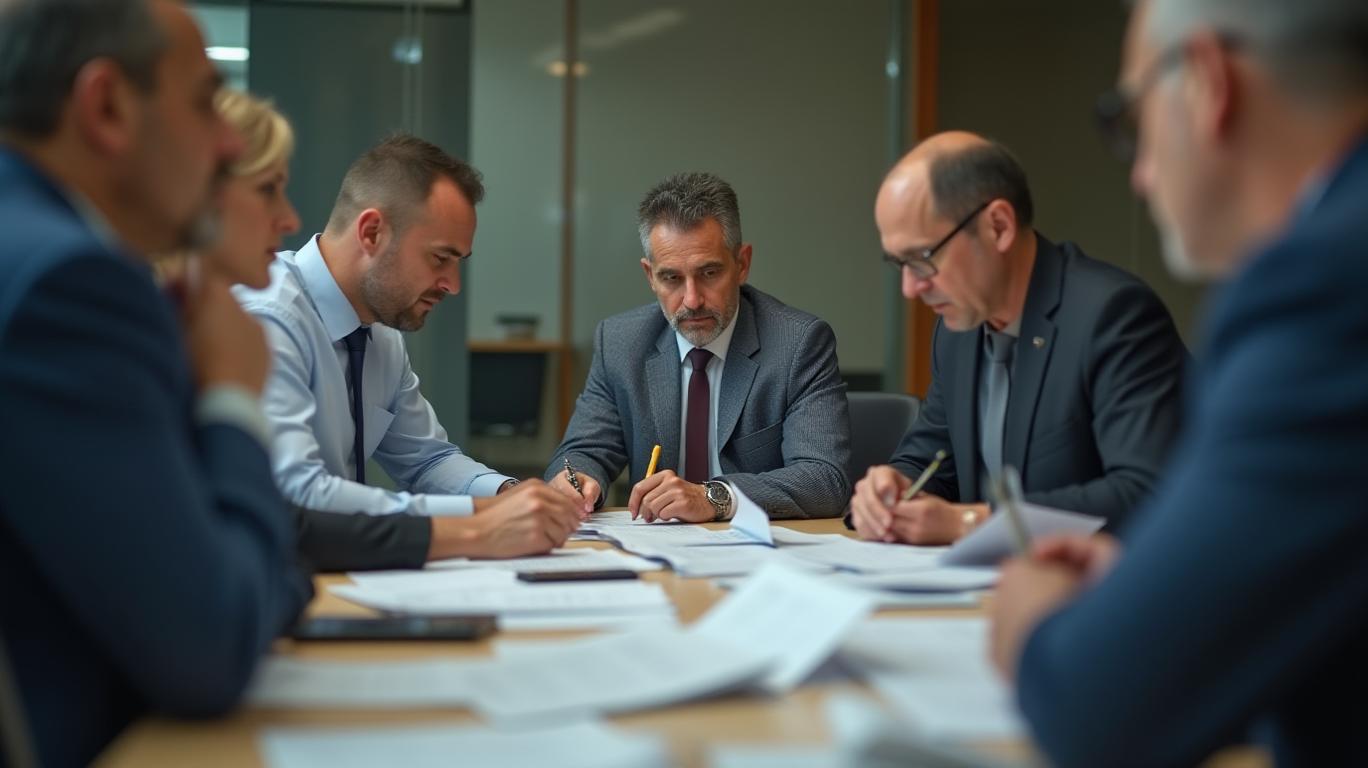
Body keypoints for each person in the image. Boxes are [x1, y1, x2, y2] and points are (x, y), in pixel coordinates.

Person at [989, 0, 1368, 765]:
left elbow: (1101, 708)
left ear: (1204, 82)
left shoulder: (1326, 286)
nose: (1138, 174)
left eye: (1131, 119)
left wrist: (1032, 619)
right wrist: (1158, 583)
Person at [0, 2, 307, 765]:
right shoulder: (71, 284)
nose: (227, 142)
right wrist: (232, 393)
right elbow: (211, 644)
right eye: (205, 102)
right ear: (106, 106)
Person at [208, 93, 578, 566]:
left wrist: (511, 494)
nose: (453, 285)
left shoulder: (380, 332)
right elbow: (300, 494)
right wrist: (480, 520)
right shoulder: (270, 318)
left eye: (459, 263)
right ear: (371, 233)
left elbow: (427, 460)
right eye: (440, 258)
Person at [849, 133, 1187, 545]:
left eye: (922, 258)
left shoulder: (1112, 315)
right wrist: (890, 490)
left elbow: (1144, 492)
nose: (910, 288)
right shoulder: (957, 332)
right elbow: (931, 461)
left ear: (998, 227)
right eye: (898, 263)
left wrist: (969, 522)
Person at [545, 172, 851, 522]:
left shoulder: (798, 344)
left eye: (709, 273)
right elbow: (584, 450)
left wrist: (713, 497)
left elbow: (824, 479)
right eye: (671, 278)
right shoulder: (620, 342)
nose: (692, 300)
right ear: (650, 276)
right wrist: (576, 479)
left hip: (754, 545)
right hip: (655, 546)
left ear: (742, 264)